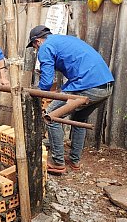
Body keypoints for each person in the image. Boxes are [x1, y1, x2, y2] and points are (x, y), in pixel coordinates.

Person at [26, 25, 114, 174]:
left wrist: (35, 94)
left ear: (37, 41)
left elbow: (46, 84)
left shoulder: (45, 47)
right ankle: (75, 161)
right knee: (80, 118)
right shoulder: (62, 40)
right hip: (106, 86)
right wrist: (62, 91)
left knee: (51, 116)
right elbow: (78, 72)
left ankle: (58, 162)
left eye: (34, 46)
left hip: (89, 85)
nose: (35, 50)